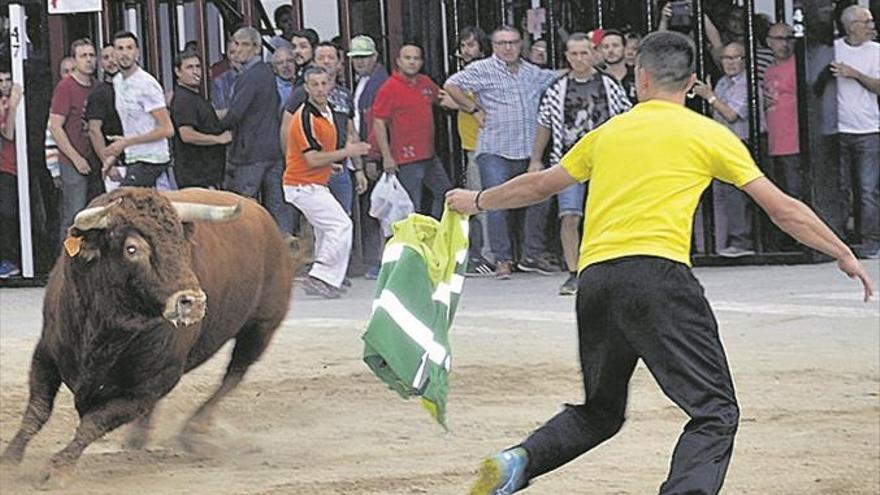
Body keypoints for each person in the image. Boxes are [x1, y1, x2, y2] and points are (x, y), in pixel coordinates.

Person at [447, 31, 875, 495]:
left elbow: (540, 185)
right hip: (658, 278)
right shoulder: (707, 133)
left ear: (641, 78)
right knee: (715, 411)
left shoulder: (607, 133)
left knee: (601, 411)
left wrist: (479, 199)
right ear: (692, 83)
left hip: (596, 281)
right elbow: (781, 207)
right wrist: (842, 251)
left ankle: (520, 460)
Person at [444, 26, 560, 279]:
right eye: (502, 43)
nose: (508, 48)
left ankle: (531, 255)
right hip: (495, 148)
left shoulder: (532, 72)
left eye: (513, 42)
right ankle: (502, 259)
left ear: (521, 45)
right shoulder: (481, 69)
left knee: (540, 198)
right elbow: (451, 85)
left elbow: (557, 77)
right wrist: (473, 109)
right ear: (494, 46)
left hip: (528, 148)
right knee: (495, 202)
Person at [530, 32, 631, 295]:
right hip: (569, 161)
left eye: (584, 53)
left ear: (593, 54)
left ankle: (610, 267)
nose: (579, 58)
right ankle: (574, 272)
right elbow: (545, 124)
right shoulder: (556, 88)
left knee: (609, 215)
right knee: (570, 216)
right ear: (567, 56)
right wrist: (536, 160)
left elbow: (627, 118)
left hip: (608, 161)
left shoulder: (609, 84)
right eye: (573, 54)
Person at [283, 66, 371, 298]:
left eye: (324, 83)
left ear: (331, 84)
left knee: (326, 229)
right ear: (306, 87)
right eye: (315, 84)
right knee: (341, 225)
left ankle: (330, 278)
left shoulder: (328, 111)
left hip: (312, 182)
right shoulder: (304, 116)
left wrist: (330, 164)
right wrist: (346, 152)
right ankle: (320, 276)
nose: (321, 89)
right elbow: (311, 158)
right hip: (302, 185)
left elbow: (312, 156)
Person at [281, 41, 367, 215]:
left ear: (339, 63)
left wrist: (358, 169)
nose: (326, 61)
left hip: (339, 169)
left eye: (331, 57)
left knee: (342, 219)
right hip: (310, 171)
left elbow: (351, 133)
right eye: (321, 58)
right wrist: (293, 163)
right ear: (314, 62)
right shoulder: (302, 93)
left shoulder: (345, 95)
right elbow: (286, 128)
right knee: (314, 223)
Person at [219, 27, 290, 233]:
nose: (237, 49)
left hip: (251, 153)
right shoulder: (267, 73)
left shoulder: (251, 75)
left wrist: (211, 127)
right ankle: (285, 252)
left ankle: (250, 253)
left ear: (257, 48)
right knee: (277, 206)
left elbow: (235, 114)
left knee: (244, 207)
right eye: (235, 43)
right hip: (272, 151)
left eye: (244, 44)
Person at [373, 43, 452, 219]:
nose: (412, 62)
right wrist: (386, 156)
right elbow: (379, 122)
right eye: (408, 58)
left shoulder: (425, 82)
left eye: (416, 58)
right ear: (398, 62)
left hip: (429, 155)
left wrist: (471, 106)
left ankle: (434, 234)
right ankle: (413, 244)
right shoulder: (389, 87)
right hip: (406, 158)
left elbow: (443, 99)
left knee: (446, 194)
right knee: (410, 206)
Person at [693, 42, 756, 258]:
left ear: (745, 61)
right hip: (721, 143)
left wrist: (709, 96)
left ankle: (742, 241)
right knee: (721, 194)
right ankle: (719, 244)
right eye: (726, 58)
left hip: (740, 141)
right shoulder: (723, 82)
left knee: (735, 194)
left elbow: (731, 114)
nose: (730, 62)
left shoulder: (746, 83)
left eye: (735, 57)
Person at [444, 26, 494, 275]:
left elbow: (456, 100)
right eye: (463, 46)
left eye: (471, 45)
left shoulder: (484, 72)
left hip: (482, 144)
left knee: (482, 201)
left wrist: (461, 103)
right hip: (470, 144)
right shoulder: (463, 74)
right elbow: (445, 99)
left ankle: (488, 255)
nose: (466, 50)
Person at [833, 5, 879, 259]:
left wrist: (855, 74)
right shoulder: (834, 48)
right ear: (850, 26)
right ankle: (841, 240)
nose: (872, 26)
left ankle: (871, 242)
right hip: (838, 128)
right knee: (840, 188)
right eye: (867, 22)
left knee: (868, 190)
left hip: (868, 128)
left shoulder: (877, 52)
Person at [102, 31, 174, 187]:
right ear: (113, 54)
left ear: (137, 52)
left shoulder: (146, 83)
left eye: (129, 48)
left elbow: (167, 129)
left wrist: (127, 142)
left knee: (123, 202)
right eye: (120, 48)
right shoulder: (118, 81)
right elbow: (132, 126)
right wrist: (112, 157)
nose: (125, 53)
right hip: (133, 158)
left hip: (152, 159)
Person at [348, 34, 390, 279]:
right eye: (356, 58)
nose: (360, 62)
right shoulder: (364, 80)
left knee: (377, 210)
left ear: (375, 57)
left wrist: (373, 157)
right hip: (363, 151)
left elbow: (378, 123)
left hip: (373, 153)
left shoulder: (379, 82)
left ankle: (378, 260)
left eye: (364, 57)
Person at [48, 38, 98, 238]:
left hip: (94, 158)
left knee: (94, 215)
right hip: (71, 160)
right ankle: (67, 263)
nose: (89, 60)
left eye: (92, 55)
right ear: (74, 60)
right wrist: (75, 158)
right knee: (74, 217)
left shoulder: (97, 86)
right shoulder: (66, 87)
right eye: (83, 56)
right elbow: (56, 127)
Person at [170, 50, 231, 189]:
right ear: (177, 72)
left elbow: (207, 118)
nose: (195, 71)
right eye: (189, 67)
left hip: (207, 175)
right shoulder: (183, 99)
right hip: (194, 176)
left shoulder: (195, 96)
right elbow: (187, 135)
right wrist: (218, 139)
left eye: (198, 67)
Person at [763, 23, 801, 200]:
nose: (784, 44)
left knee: (795, 195)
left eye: (789, 38)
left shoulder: (799, 67)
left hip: (795, 143)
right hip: (775, 142)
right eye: (779, 39)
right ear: (768, 42)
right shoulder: (769, 71)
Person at [86, 44, 124, 188]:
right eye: (106, 58)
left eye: (114, 56)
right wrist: (107, 163)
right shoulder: (99, 93)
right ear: (101, 64)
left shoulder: (135, 87)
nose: (111, 61)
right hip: (114, 165)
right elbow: (94, 130)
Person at [0, 66, 22, 279]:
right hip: (5, 166)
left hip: (19, 166)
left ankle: (16, 258)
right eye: (1, 81)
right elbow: (8, 133)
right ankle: (8, 260)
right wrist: (12, 107)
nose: (5, 85)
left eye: (8, 79)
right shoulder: (4, 103)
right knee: (7, 213)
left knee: (14, 213)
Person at [272, 45, 297, 110]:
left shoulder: (303, 84)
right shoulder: (271, 88)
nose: (285, 65)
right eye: (280, 63)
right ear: (274, 68)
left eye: (289, 61)